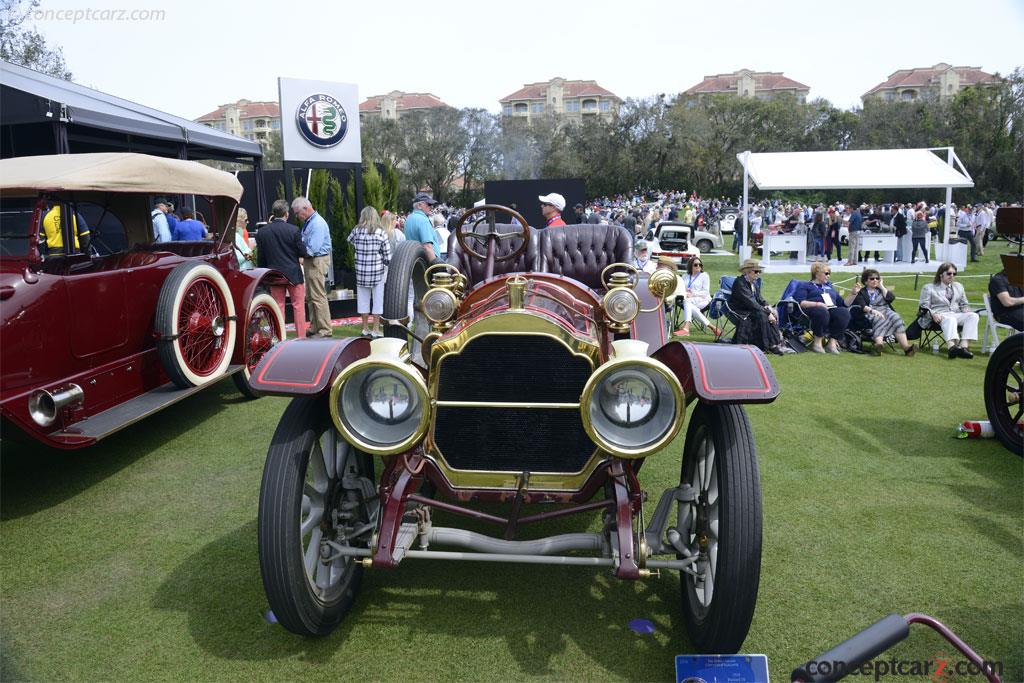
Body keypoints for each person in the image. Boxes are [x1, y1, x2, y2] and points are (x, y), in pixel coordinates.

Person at [256, 199, 306, 339]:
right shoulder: (294, 230)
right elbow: (302, 252)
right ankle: (301, 338)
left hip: (275, 275)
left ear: (274, 214)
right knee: (298, 306)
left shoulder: (263, 232)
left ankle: (280, 338)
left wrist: (264, 275)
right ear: (286, 214)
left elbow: (261, 258)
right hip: (293, 274)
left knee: (278, 306)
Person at [844, 269, 916, 356]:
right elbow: (863, 306)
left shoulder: (881, 290)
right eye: (872, 279)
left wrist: (881, 286)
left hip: (885, 310)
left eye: (877, 278)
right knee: (880, 318)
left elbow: (891, 298)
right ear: (866, 281)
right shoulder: (862, 292)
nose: (875, 280)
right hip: (869, 313)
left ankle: (906, 348)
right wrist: (873, 311)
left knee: (896, 317)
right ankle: (879, 344)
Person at [292, 196, 334, 338]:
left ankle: (325, 329)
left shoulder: (317, 224)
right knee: (311, 296)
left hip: (317, 260)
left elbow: (313, 248)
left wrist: (300, 253)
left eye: (298, 213)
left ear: (306, 208)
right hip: (312, 260)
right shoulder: (311, 222)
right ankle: (315, 326)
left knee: (318, 296)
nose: (297, 216)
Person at [731, 259, 792, 355]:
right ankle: (768, 346)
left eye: (759, 271)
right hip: (741, 310)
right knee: (762, 315)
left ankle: (776, 343)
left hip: (750, 308)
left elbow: (759, 299)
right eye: (756, 271)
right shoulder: (740, 283)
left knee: (772, 312)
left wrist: (769, 307)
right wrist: (767, 313)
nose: (758, 274)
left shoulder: (754, 283)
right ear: (747, 271)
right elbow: (750, 302)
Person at [348, 206, 392, 338]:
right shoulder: (381, 232)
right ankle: (376, 329)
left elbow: (349, 241)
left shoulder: (356, 230)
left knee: (362, 300)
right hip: (377, 271)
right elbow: (388, 256)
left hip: (361, 271)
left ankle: (365, 328)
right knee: (378, 301)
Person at [919, 262, 979, 359]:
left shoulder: (959, 286)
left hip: (955, 313)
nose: (952, 276)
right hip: (939, 315)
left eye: (954, 274)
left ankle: (964, 348)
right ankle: (952, 348)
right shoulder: (929, 288)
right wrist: (933, 314)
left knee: (973, 316)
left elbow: (964, 304)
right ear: (941, 274)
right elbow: (923, 306)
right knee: (951, 319)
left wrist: (966, 309)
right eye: (949, 273)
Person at [792, 261, 851, 354]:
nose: (828, 276)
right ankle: (817, 343)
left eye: (829, 274)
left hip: (831, 309)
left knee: (844, 312)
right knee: (822, 311)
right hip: (812, 310)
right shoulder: (805, 285)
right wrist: (818, 304)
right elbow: (801, 302)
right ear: (817, 274)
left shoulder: (829, 287)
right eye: (826, 273)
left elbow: (843, 304)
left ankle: (832, 344)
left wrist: (853, 294)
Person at [674, 257, 720, 337]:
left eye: (700, 264)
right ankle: (713, 328)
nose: (698, 266)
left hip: (703, 300)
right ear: (690, 266)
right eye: (695, 265)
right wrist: (685, 292)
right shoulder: (685, 276)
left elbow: (706, 292)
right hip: (689, 300)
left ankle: (686, 328)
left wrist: (693, 294)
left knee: (687, 302)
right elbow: (681, 288)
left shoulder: (704, 275)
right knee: (690, 306)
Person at [404, 193, 442, 262]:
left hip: (415, 261)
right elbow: (427, 247)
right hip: (426, 263)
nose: (431, 207)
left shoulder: (409, 218)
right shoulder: (423, 220)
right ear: (419, 206)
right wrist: (436, 267)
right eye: (429, 204)